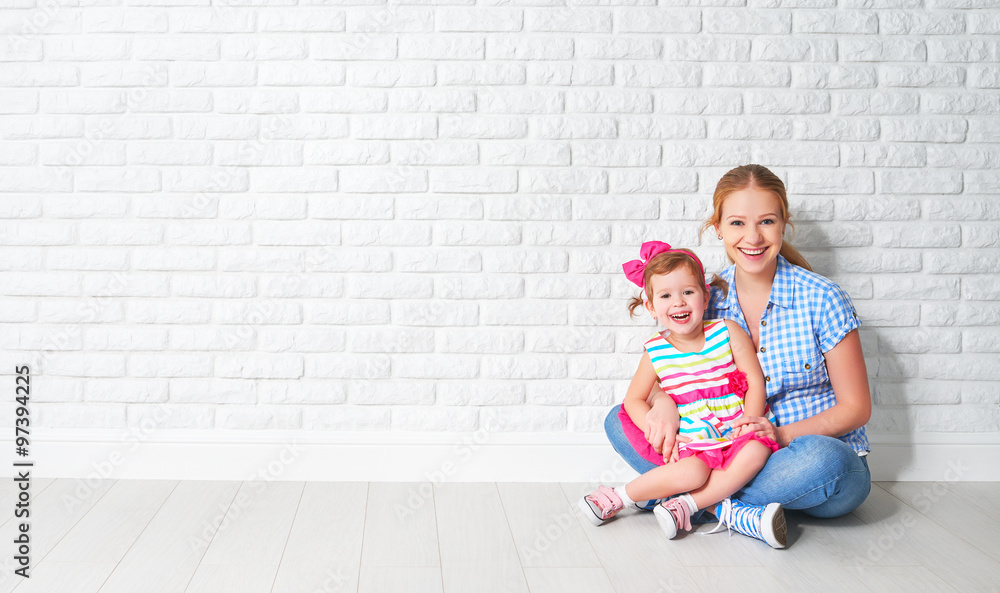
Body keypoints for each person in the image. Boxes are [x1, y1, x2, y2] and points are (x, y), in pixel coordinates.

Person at [604, 164, 872, 523]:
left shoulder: (823, 298)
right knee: (617, 421)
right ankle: (728, 509)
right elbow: (669, 367)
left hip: (799, 457)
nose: (753, 237)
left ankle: (689, 497)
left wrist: (778, 433)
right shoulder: (703, 298)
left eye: (765, 222)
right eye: (736, 223)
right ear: (718, 228)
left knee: (827, 460)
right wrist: (662, 401)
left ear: (783, 223)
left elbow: (856, 409)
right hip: (723, 453)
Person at [579, 241, 787, 549]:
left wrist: (750, 420)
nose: (679, 302)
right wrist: (658, 430)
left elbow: (755, 381)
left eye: (688, 292)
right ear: (651, 306)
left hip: (736, 429)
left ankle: (685, 505)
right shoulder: (655, 351)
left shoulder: (726, 331)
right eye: (665, 295)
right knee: (693, 470)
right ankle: (619, 496)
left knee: (757, 452)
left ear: (705, 297)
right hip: (693, 439)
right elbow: (633, 400)